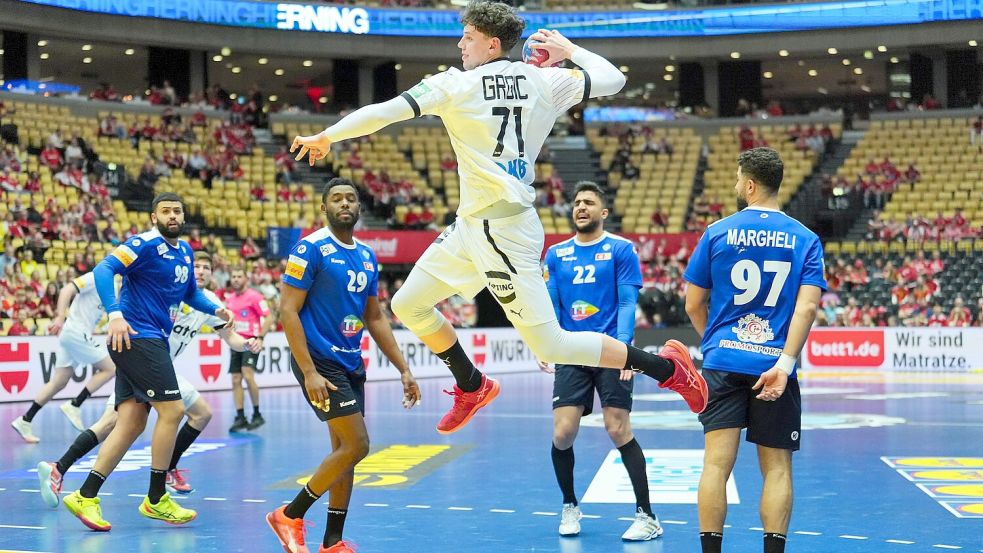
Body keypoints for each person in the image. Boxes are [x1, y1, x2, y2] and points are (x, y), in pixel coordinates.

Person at [291, 2, 706, 436]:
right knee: (407, 303)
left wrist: (327, 136)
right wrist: (570, 48)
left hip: (501, 233)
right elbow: (614, 79)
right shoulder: (544, 80)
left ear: (491, 44)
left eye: (467, 37)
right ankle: (472, 383)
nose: (459, 44)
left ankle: (668, 368)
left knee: (552, 344)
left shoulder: (454, 85)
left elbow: (385, 111)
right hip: (474, 224)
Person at [266, 178, 422, 553]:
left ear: (358, 207)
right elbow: (287, 310)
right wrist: (308, 372)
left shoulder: (367, 255)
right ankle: (289, 514)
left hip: (351, 363)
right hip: (320, 363)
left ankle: (332, 541)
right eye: (336, 198)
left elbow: (376, 317)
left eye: (350, 198)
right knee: (359, 444)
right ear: (324, 208)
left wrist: (403, 368)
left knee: (344, 453)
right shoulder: (311, 248)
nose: (344, 203)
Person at [62, 192, 233, 532]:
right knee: (172, 411)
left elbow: (188, 294)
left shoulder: (184, 251)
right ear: (154, 217)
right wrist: (114, 314)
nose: (172, 216)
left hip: (148, 338)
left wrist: (215, 309)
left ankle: (85, 495)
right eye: (166, 211)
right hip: (137, 337)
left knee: (131, 423)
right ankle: (156, 498)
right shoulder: (142, 244)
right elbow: (103, 269)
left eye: (177, 211)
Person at [683, 148, 825, 553]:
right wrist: (785, 363)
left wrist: (714, 342)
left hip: (724, 362)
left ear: (749, 185)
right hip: (774, 367)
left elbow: (693, 303)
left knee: (715, 465)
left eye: (736, 180)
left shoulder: (717, 232)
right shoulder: (805, 238)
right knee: (777, 469)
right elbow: (809, 306)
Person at [37, 251, 261, 506]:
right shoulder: (169, 289)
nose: (200, 271)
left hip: (162, 368)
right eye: (196, 266)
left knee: (200, 414)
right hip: (145, 361)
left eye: (205, 267)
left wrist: (247, 344)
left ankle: (162, 472)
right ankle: (65, 469)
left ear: (212, 273)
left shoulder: (209, 302)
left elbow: (230, 338)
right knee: (115, 422)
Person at [540, 181, 662, 541]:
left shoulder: (622, 250)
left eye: (589, 202)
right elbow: (550, 304)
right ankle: (569, 505)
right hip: (570, 350)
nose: (581, 207)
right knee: (562, 433)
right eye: (577, 202)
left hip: (610, 350)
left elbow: (627, 304)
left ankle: (647, 516)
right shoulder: (556, 254)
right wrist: (543, 342)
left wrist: (626, 351)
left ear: (603, 212)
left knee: (617, 428)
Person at [10, 273, 117, 443]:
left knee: (59, 382)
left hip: (73, 334)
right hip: (75, 331)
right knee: (111, 368)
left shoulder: (114, 288)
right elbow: (67, 289)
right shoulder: (96, 276)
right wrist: (59, 316)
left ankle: (25, 420)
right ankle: (75, 404)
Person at [224, 265, 273, 432]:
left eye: (239, 276)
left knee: (247, 373)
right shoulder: (229, 299)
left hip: (251, 341)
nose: (236, 279)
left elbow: (269, 317)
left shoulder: (255, 297)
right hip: (235, 342)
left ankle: (257, 414)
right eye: (234, 277)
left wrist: (260, 337)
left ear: (246, 279)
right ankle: (240, 417)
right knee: (235, 379)